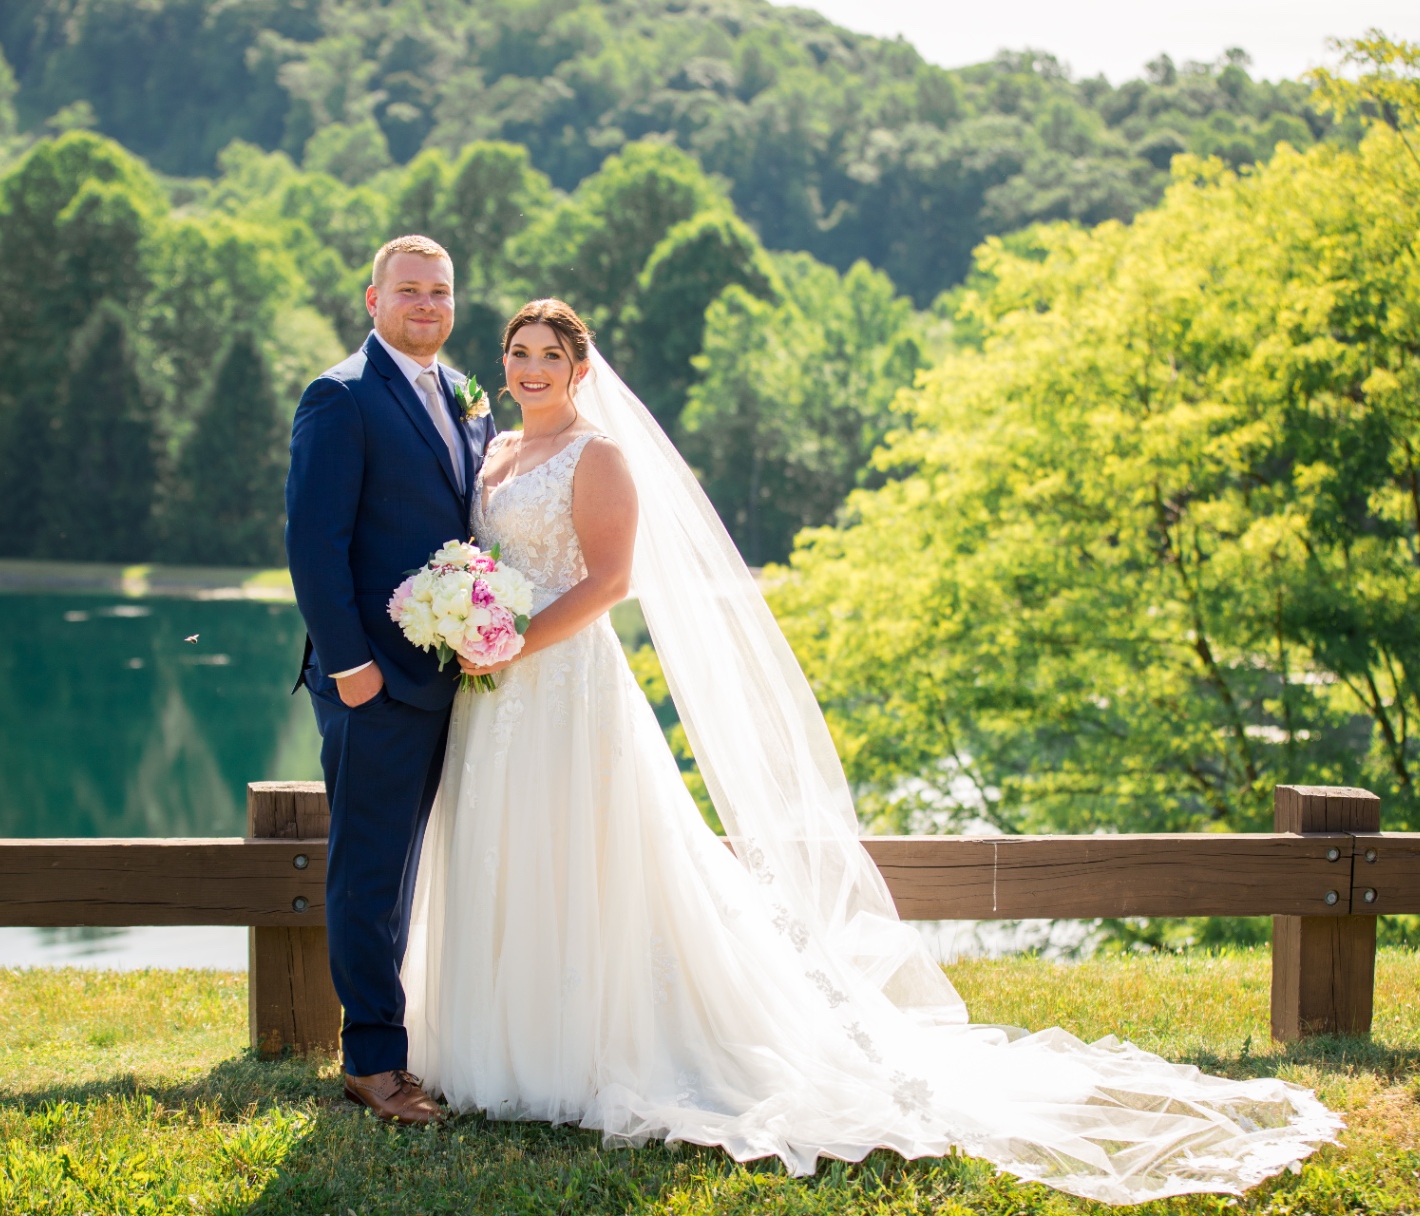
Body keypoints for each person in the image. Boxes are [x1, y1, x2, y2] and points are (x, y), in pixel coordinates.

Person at [397, 298, 1343, 1205]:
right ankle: (496, 1044)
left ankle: (585, 1051)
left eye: (550, 356)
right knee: (499, 844)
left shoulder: (598, 456)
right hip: (493, 693)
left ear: (580, 369)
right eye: (519, 354)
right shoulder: (497, 449)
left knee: (584, 853)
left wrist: (516, 641)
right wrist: (472, 620)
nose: (531, 369)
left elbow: (610, 582)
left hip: (566, 687)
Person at [284, 234, 498, 1124]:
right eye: (408, 290)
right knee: (371, 879)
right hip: (375, 684)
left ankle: (444, 1042)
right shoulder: (340, 396)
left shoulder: (467, 397)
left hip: (459, 681)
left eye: (440, 292)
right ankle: (373, 1064)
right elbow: (313, 545)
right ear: (373, 300)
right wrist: (352, 670)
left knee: (434, 873)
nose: (426, 305)